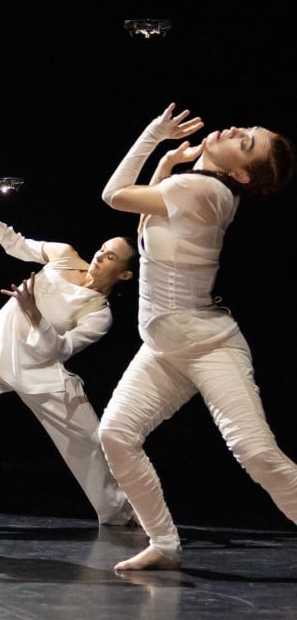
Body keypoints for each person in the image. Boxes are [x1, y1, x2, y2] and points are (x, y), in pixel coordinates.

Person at [98, 102, 297, 571]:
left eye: (243, 142)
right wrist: (168, 163)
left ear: (242, 175)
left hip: (209, 345)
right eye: (245, 128)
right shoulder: (192, 187)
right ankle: (163, 543)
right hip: (166, 346)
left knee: (255, 452)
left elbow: (115, 195)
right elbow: (152, 223)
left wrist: (154, 135)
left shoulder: (203, 189)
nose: (234, 130)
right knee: (116, 434)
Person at [0, 183, 137, 529]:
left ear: (124, 273)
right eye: (103, 249)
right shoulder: (64, 255)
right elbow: (18, 244)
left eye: (111, 256)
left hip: (40, 369)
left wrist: (34, 315)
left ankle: (118, 512)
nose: (100, 255)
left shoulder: (99, 314)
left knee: (89, 440)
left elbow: (59, 349)